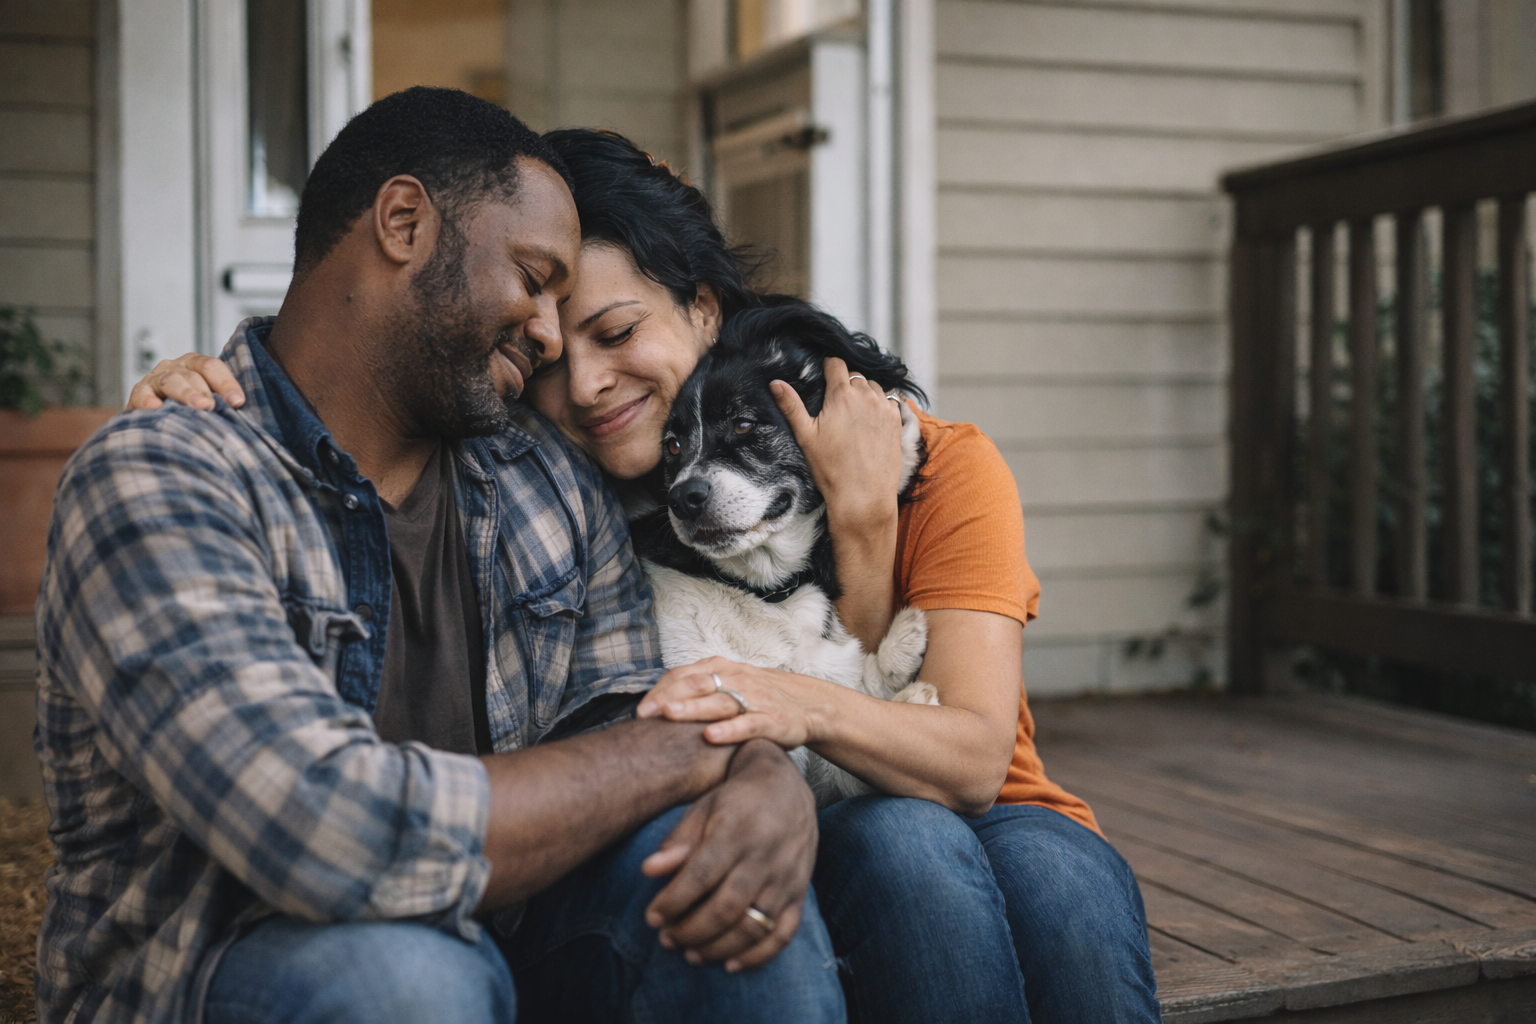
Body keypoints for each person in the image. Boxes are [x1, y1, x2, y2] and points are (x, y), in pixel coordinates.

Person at [132, 126, 1161, 1023]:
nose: (585, 384)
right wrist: (218, 378)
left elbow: (975, 758)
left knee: (1056, 894)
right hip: (828, 812)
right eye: (545, 353)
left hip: (994, 797)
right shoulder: (565, 479)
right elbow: (368, 370)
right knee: (904, 854)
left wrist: (859, 516)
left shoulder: (930, 458)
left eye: (618, 333)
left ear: (705, 312)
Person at [38, 89, 846, 1024]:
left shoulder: (543, 477)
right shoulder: (164, 478)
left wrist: (756, 779)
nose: (549, 336)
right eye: (534, 278)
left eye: (580, 309)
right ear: (405, 221)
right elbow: (326, 829)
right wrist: (697, 754)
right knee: (413, 984)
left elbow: (631, 709)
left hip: (513, 928)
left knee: (724, 884)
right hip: (223, 959)